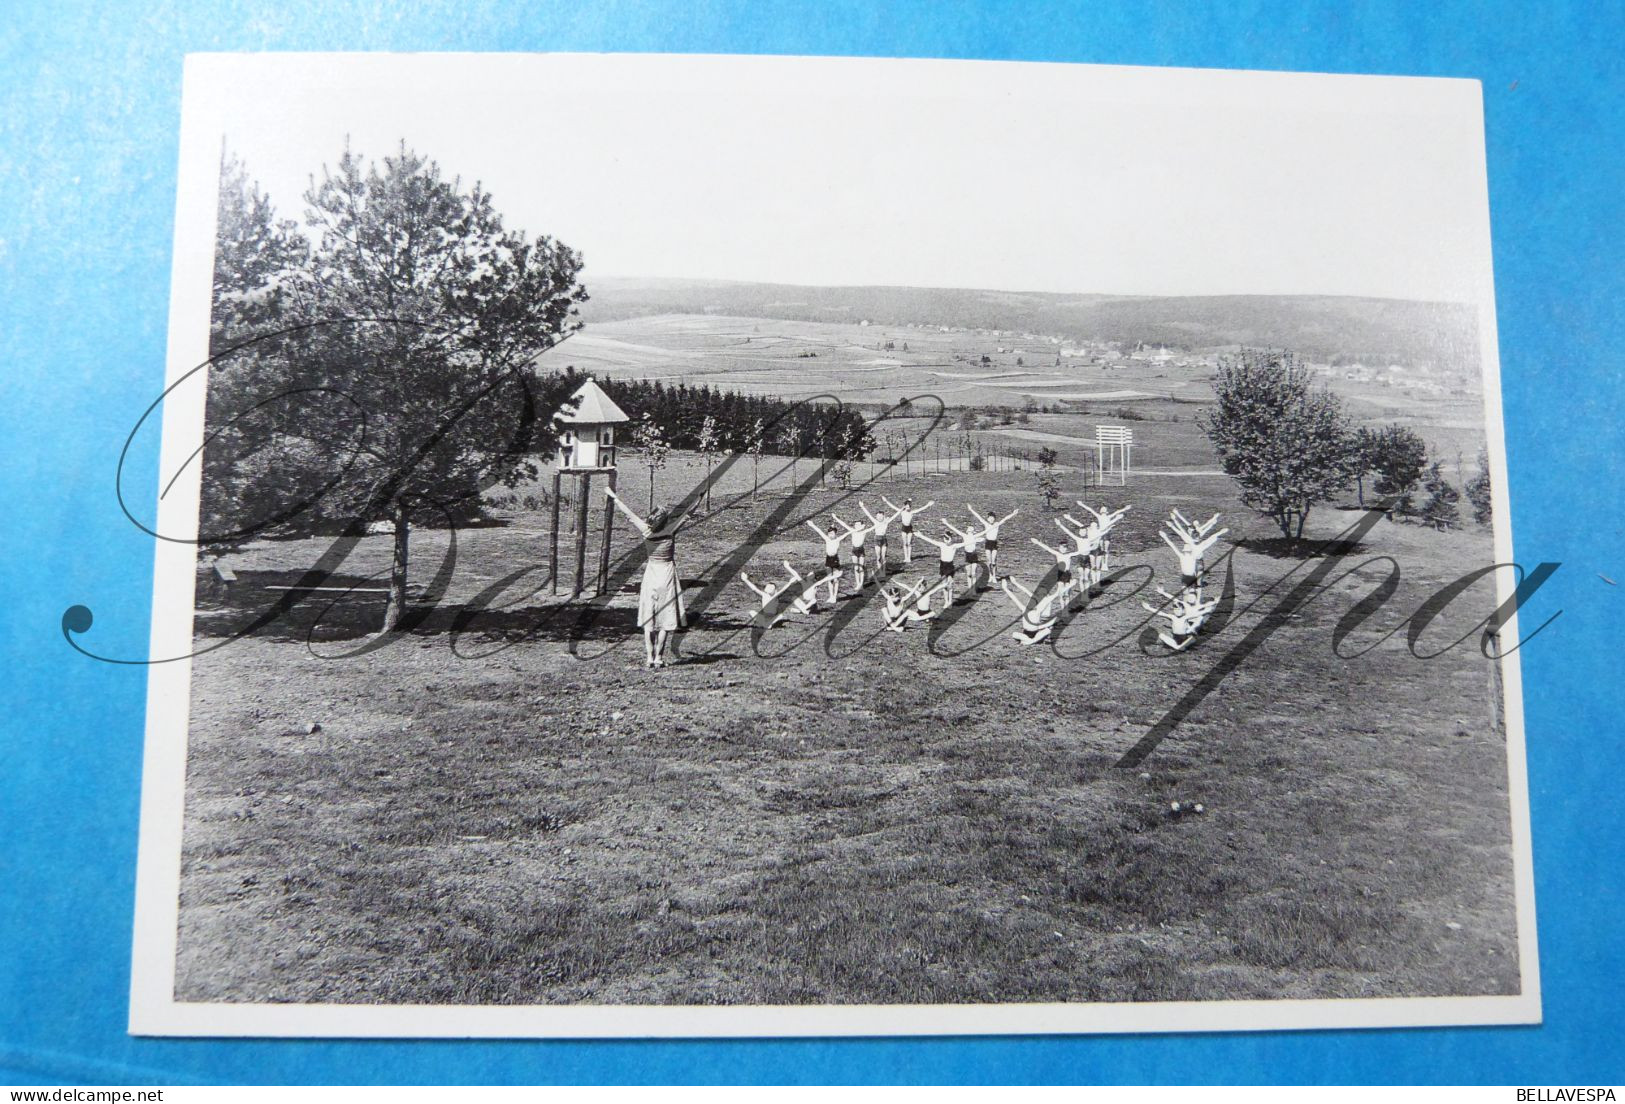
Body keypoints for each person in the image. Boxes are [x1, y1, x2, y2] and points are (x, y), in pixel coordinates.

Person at [605, 488, 693, 668]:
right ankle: (659, 658)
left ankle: (649, 657)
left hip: (651, 574)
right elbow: (688, 513)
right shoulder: (670, 531)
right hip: (667, 574)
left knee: (648, 619)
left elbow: (628, 514)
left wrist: (614, 497)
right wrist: (700, 497)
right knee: (665, 619)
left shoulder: (646, 530)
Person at [1141, 585, 1220, 651]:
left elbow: (1204, 609)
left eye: (1192, 597)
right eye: (1189, 597)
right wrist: (1150, 607)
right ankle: (1179, 647)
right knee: (1161, 635)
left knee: (1199, 620)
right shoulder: (1183, 605)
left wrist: (1214, 603)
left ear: (1196, 598)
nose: (1190, 599)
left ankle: (1183, 642)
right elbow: (1163, 610)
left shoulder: (1195, 608)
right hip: (1180, 634)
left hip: (1191, 630)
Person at [999, 574, 1067, 645]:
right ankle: (1031, 641)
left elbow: (1054, 595)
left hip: (1036, 632)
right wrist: (1006, 588)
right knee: (1014, 634)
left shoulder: (1038, 609)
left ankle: (1030, 641)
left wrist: (1062, 586)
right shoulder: (1025, 608)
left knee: (1047, 631)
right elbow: (1014, 597)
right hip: (1026, 633)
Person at [911, 529, 961, 609]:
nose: (946, 541)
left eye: (948, 539)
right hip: (943, 566)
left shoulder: (954, 546)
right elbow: (931, 541)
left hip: (950, 566)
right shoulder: (941, 544)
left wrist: (976, 540)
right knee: (944, 584)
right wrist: (920, 536)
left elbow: (966, 543)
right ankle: (946, 601)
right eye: (945, 539)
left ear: (951, 539)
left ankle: (950, 602)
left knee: (950, 584)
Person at [967, 506, 1019, 579]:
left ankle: (994, 576)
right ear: (988, 519)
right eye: (990, 518)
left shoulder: (996, 524)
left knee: (993, 561)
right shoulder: (986, 524)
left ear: (994, 518)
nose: (991, 519)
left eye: (993, 518)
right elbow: (978, 516)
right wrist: (971, 509)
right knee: (989, 561)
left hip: (994, 543)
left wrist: (1013, 514)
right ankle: (990, 576)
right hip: (988, 543)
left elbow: (1005, 519)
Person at [806, 519, 847, 604]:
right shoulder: (827, 539)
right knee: (829, 578)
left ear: (835, 534)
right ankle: (831, 596)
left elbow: (848, 533)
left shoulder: (838, 539)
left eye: (832, 533)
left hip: (835, 560)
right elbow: (819, 531)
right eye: (829, 534)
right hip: (828, 559)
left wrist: (857, 529)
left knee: (835, 579)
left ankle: (834, 596)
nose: (830, 535)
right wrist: (812, 524)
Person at [882, 496, 934, 563]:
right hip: (904, 528)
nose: (908, 508)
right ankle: (905, 557)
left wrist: (927, 505)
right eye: (906, 507)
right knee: (904, 543)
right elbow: (893, 507)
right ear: (904, 507)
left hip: (909, 528)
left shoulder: (911, 512)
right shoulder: (902, 512)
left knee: (909, 543)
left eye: (909, 507)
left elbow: (920, 509)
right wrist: (886, 501)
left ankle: (909, 558)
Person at [830, 512, 873, 590]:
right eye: (856, 525)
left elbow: (874, 527)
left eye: (858, 525)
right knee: (856, 567)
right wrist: (836, 518)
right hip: (854, 551)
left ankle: (861, 584)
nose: (857, 526)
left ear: (862, 526)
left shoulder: (864, 532)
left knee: (861, 568)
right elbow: (843, 524)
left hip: (861, 550)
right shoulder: (852, 531)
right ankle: (858, 583)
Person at [942, 519, 986, 594]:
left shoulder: (975, 536)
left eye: (972, 531)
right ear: (967, 531)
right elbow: (954, 529)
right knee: (969, 573)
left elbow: (985, 531)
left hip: (974, 555)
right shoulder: (964, 536)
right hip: (967, 555)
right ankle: (970, 589)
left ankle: (974, 590)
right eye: (969, 531)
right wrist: (946, 523)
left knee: (973, 573)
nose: (970, 532)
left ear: (973, 532)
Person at [860, 500, 903, 577]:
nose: (879, 518)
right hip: (877, 539)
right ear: (876, 517)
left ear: (883, 516)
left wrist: (901, 509)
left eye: (881, 516)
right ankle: (880, 570)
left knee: (883, 556)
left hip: (884, 539)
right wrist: (862, 506)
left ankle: (883, 572)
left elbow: (895, 516)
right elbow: (868, 515)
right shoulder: (875, 522)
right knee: (878, 557)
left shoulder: (886, 522)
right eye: (878, 516)